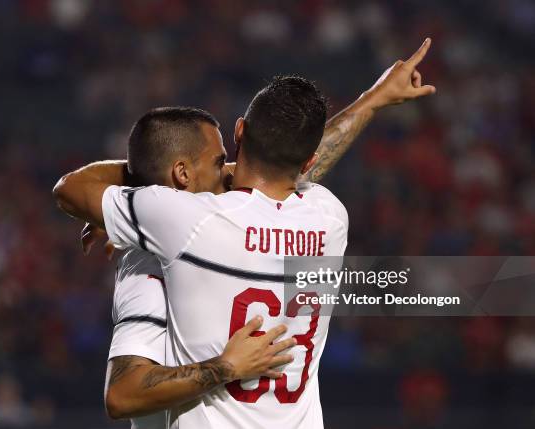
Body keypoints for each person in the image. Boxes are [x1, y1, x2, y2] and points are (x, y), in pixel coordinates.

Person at [54, 39, 435, 428]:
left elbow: (69, 189)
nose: (225, 170)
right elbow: (288, 169)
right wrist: (373, 100)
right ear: (307, 161)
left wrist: (147, 177)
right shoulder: (330, 217)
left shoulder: (182, 225)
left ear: (239, 131)